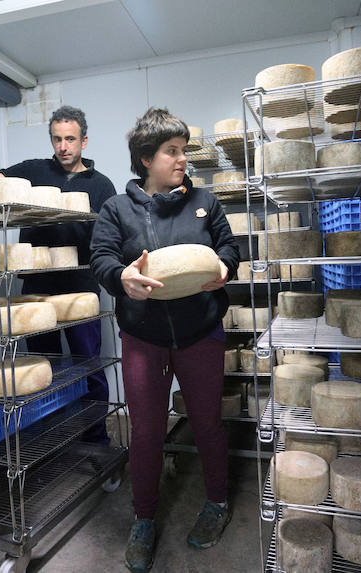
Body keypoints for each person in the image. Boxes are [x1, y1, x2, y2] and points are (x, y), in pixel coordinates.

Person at [89, 108, 240, 572]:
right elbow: (101, 259)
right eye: (172, 152)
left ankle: (217, 502)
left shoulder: (205, 203)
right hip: (143, 336)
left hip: (199, 331)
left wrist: (223, 268)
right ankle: (144, 518)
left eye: (183, 151)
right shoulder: (117, 208)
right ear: (146, 158)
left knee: (207, 421)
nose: (182, 160)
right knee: (148, 430)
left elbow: (230, 247)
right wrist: (121, 278)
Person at [0, 105, 117, 446]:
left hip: (80, 291)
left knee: (87, 367)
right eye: (57, 139)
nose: (63, 146)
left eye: (70, 139)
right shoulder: (34, 170)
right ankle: (47, 439)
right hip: (36, 290)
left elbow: (109, 239)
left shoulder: (101, 185)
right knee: (39, 369)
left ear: (84, 141)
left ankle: (95, 440)